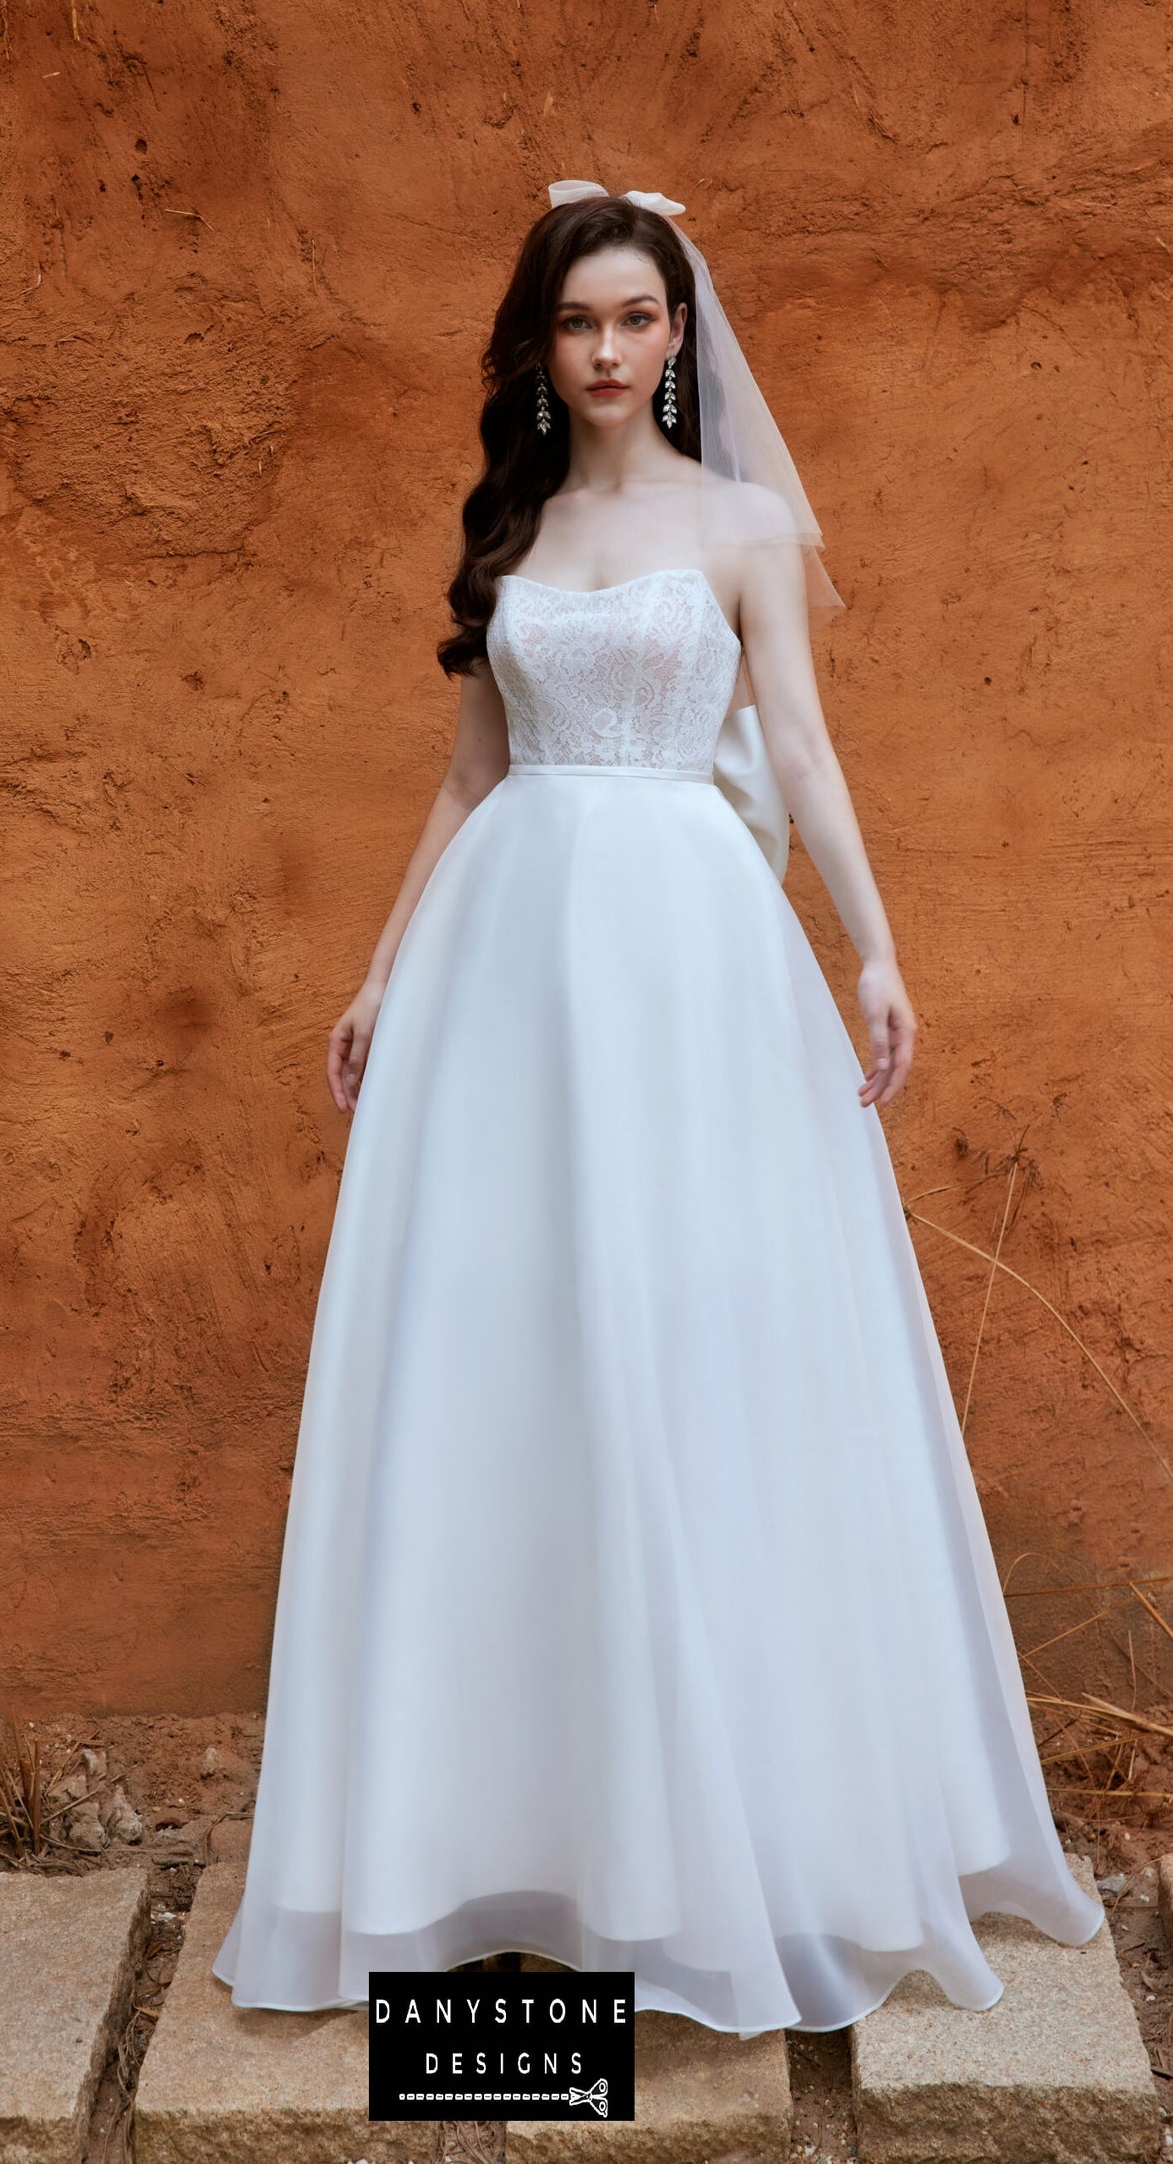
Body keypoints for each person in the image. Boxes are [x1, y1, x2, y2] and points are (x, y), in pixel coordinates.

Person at [211, 179, 1105, 2036]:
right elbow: (470, 773)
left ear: (676, 332)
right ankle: (519, 1841)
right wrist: (382, 969)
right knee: (510, 1363)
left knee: (692, 1350)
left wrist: (871, 948)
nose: (607, 352)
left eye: (633, 318)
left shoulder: (747, 524)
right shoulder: (518, 529)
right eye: (575, 324)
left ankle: (725, 1842)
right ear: (540, 348)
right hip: (506, 969)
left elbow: (795, 746)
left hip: (690, 960)